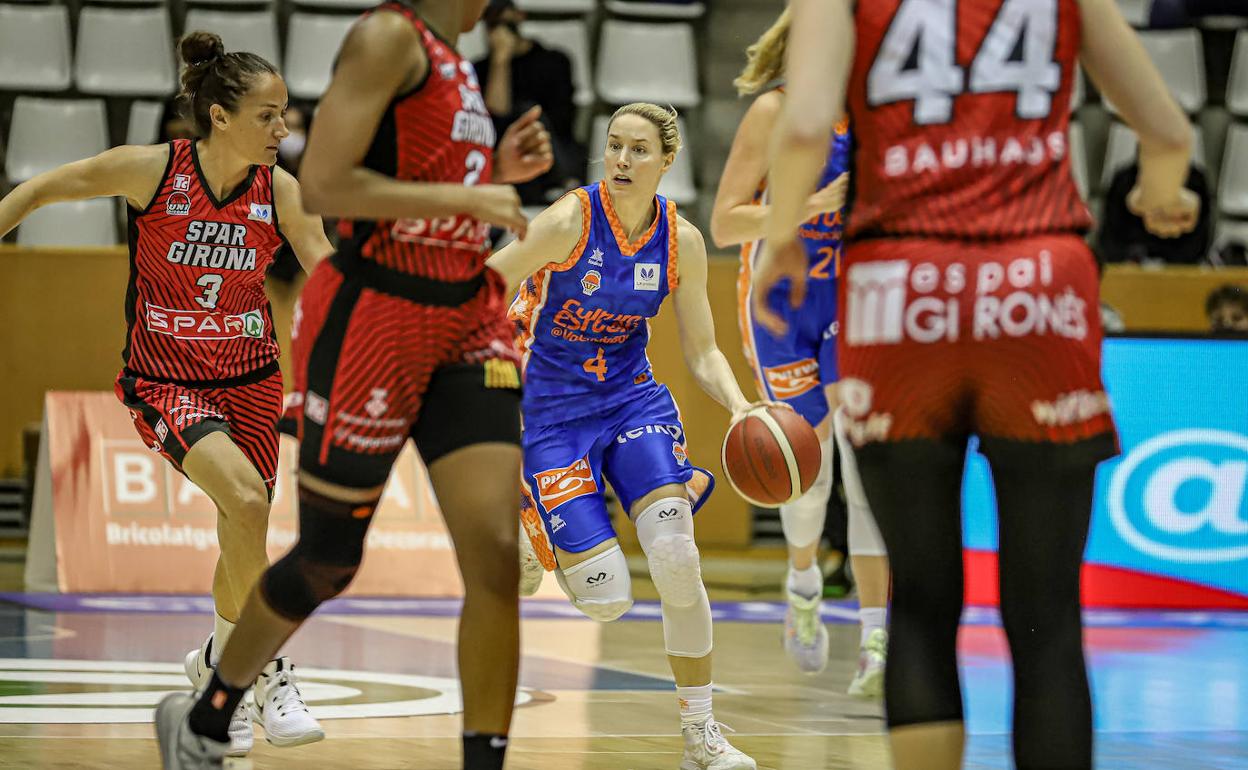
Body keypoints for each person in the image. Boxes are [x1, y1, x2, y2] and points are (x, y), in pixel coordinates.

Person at [755, 1, 1200, 768]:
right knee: (1048, 615)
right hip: (1037, 287)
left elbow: (801, 127)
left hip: (899, 289)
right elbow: (1168, 129)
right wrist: (1162, 191)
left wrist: (781, 239)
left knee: (922, 605)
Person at [154, 1, 553, 768]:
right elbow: (330, 184)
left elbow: (419, 179)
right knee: (328, 558)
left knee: (498, 557)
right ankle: (208, 715)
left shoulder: (458, 58)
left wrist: (493, 173)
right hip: (377, 317)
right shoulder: (387, 36)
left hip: (466, 317)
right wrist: (466, 197)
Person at [0, 32, 335, 757]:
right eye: (269, 115)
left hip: (252, 378)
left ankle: (218, 672)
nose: (285, 129)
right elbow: (42, 187)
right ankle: (270, 674)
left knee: (240, 527)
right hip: (168, 381)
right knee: (246, 503)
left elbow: (327, 273)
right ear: (220, 116)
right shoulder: (153, 171)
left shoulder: (280, 191)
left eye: (287, 115)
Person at [494, 103, 758, 770]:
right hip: (549, 410)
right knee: (608, 599)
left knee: (677, 555)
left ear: (668, 161)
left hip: (629, 399)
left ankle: (700, 733)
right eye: (614, 146)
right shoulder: (569, 220)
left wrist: (740, 407)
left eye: (638, 150)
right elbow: (487, 282)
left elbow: (702, 351)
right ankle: (536, 516)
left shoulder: (683, 241)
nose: (620, 161)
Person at [710, 8, 891, 695]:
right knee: (805, 468)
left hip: (855, 301)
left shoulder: (882, 114)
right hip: (782, 305)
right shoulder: (774, 112)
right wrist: (813, 207)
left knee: (866, 465)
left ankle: (877, 633)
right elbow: (726, 221)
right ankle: (804, 584)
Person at [474, 0, 586, 204]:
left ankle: (560, 183)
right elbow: (493, 121)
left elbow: (563, 121)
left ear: (520, 17)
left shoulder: (554, 60)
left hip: (553, 151)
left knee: (527, 112)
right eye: (493, 25)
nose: (501, 32)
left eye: (506, 24)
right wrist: (501, 62)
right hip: (511, 160)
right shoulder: (480, 70)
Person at [1098, 158, 1211, 264]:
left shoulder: (1195, 182)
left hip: (1179, 267)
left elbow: (1199, 242)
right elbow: (1110, 237)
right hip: (1132, 266)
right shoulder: (1123, 181)